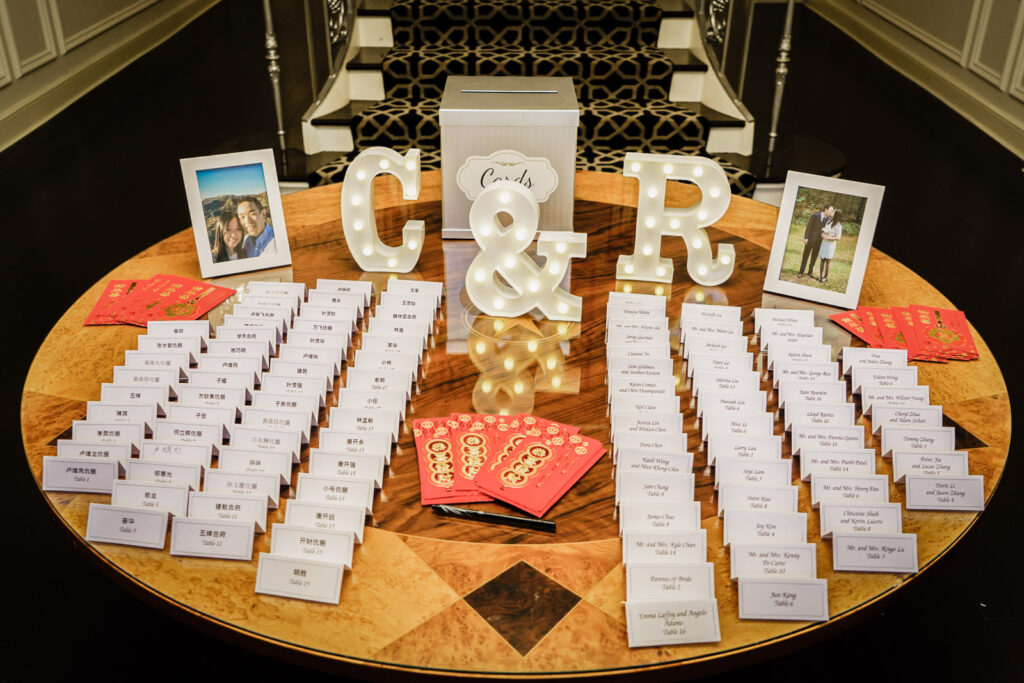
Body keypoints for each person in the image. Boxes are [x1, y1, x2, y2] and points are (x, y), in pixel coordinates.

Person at [797, 204, 834, 278]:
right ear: (825, 209)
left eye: (832, 211)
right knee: (805, 256)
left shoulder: (829, 220)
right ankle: (801, 271)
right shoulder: (815, 215)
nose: (831, 212)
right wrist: (806, 238)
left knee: (814, 257)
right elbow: (808, 227)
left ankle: (810, 272)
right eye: (830, 210)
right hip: (810, 239)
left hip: (819, 242)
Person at [817, 209, 843, 283]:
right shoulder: (829, 222)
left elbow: (838, 238)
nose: (832, 213)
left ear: (836, 215)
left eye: (833, 212)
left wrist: (828, 238)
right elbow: (824, 231)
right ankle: (820, 275)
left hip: (830, 245)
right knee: (822, 259)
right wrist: (823, 235)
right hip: (824, 243)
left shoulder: (838, 226)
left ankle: (826, 277)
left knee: (828, 261)